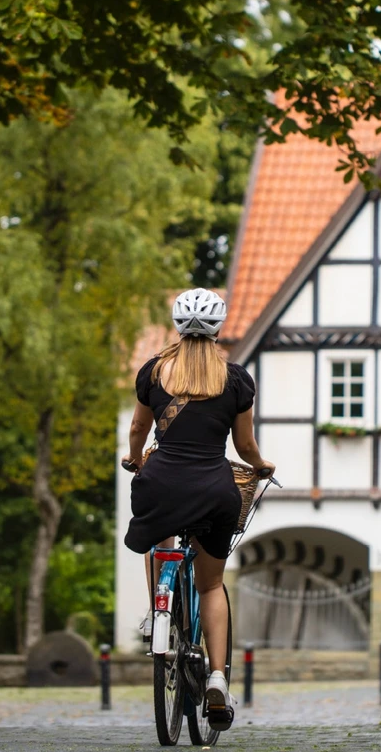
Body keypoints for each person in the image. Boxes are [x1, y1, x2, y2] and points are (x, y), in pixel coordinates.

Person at [122, 288, 273, 727]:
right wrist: (262, 466)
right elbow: (244, 446)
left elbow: (137, 427)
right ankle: (219, 679)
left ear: (176, 325)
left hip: (161, 483)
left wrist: (135, 459)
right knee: (210, 586)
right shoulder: (237, 379)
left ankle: (157, 613)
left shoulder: (153, 372)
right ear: (218, 328)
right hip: (214, 489)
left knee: (158, 537)